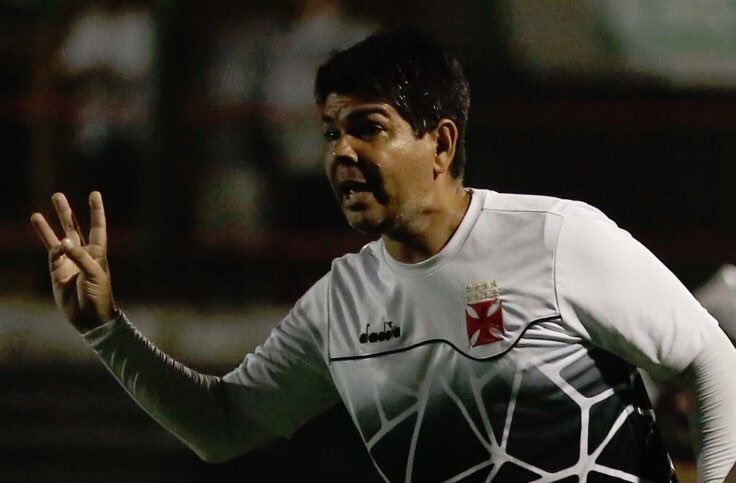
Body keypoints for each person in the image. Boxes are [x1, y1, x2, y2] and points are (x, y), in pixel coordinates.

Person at [31, 31, 736, 482]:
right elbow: (221, 427)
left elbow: (711, 359)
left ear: (441, 143)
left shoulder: (556, 239)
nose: (341, 152)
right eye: (330, 131)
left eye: (368, 127)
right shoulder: (341, 303)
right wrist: (104, 327)